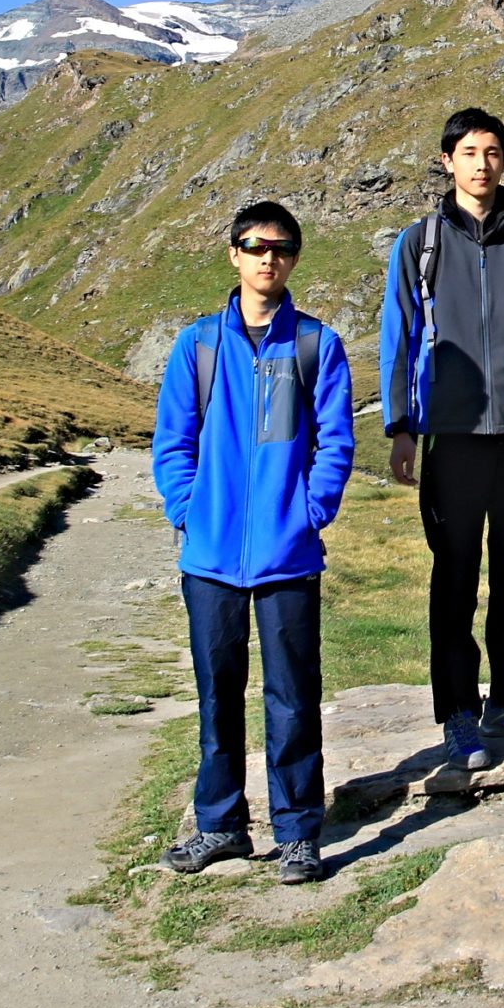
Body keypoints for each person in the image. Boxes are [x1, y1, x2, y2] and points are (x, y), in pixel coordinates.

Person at [151, 200, 355, 885]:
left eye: (283, 247)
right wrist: (188, 509)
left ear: (294, 258)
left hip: (288, 556)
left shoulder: (315, 345)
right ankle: (221, 825)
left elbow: (335, 443)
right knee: (217, 694)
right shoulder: (197, 347)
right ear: (233, 254)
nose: (270, 257)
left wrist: (309, 510)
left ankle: (298, 833)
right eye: (256, 245)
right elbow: (172, 443)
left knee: (293, 695)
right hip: (208, 558)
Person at [378, 107, 504, 771]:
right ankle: (458, 715)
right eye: (469, 151)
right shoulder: (421, 243)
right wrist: (402, 426)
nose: (482, 163)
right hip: (452, 435)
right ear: (447, 160)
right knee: (455, 576)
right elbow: (399, 335)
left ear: (503, 161)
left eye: (493, 151)